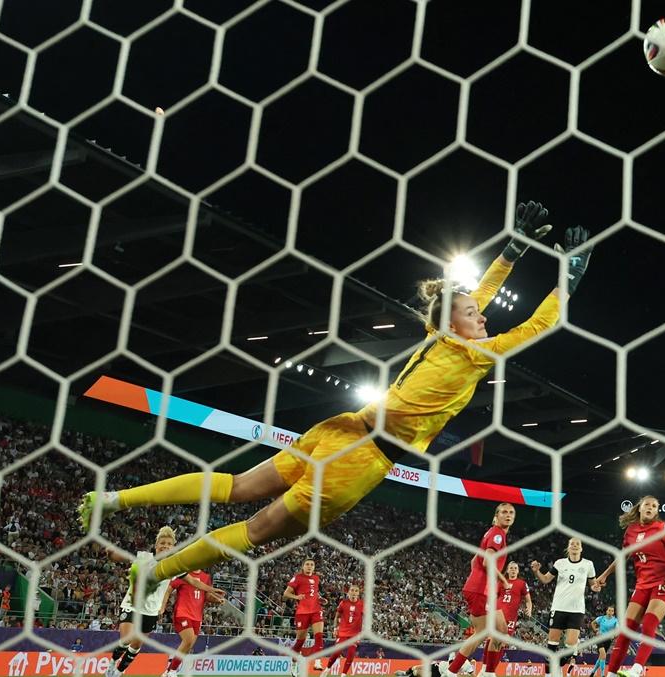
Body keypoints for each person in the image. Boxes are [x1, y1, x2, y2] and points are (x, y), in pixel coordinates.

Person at [77, 202, 593, 590]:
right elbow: (539, 323)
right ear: (452, 322)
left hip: (351, 439)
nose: (483, 315)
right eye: (473, 314)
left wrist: (514, 250)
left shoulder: (446, 337)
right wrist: (565, 279)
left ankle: (120, 511)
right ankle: (147, 560)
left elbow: (474, 295)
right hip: (354, 451)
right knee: (255, 525)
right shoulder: (473, 351)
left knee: (241, 494)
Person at [592, 496, 665, 677]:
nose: (650, 507)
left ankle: (636, 670)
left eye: (654, 506)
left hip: (663, 583)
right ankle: (611, 673)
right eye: (647, 505)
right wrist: (604, 575)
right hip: (642, 585)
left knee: (649, 624)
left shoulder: (662, 528)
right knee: (626, 630)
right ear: (640, 508)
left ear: (656, 511)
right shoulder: (630, 532)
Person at [106, 527, 218, 677]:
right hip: (131, 605)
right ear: (156, 545)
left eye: (169, 544)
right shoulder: (144, 557)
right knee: (126, 639)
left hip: (151, 611)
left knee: (136, 645)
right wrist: (111, 554)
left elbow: (193, 581)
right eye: (162, 543)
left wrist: (211, 590)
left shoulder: (174, 566)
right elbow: (122, 556)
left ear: (173, 547)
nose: (165, 546)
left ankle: (119, 671)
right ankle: (112, 663)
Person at [441, 503, 518, 677]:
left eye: (511, 513)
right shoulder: (497, 535)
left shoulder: (491, 533)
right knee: (481, 633)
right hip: (481, 590)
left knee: (502, 630)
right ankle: (452, 671)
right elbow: (487, 561)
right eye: (504, 512)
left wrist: (478, 579)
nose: (508, 515)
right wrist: (503, 580)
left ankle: (487, 671)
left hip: (481, 589)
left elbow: (474, 561)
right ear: (496, 515)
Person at [531, 538, 597, 667]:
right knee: (552, 643)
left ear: (581, 548)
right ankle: (549, 674)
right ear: (568, 547)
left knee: (571, 645)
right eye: (572, 544)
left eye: (578, 544)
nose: (575, 546)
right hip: (559, 607)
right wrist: (536, 572)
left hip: (577, 609)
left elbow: (593, 585)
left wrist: (597, 587)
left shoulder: (588, 564)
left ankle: (559, 667)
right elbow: (545, 579)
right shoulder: (560, 563)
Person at [163, 568, 226, 677]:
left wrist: (217, 600)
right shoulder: (183, 574)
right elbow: (169, 589)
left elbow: (206, 596)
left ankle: (168, 671)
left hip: (197, 617)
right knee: (188, 640)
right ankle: (172, 671)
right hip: (182, 613)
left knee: (189, 645)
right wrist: (162, 606)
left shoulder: (206, 577)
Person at [285, 558, 325, 675]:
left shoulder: (316, 578)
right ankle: (293, 663)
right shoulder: (297, 577)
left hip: (316, 610)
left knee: (319, 635)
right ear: (303, 566)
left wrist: (320, 599)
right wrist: (297, 597)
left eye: (312, 564)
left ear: (314, 567)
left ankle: (318, 661)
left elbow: (314, 593)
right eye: (307, 564)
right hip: (302, 612)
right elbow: (286, 593)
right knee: (300, 641)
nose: (309, 566)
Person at [323, 584, 365, 676]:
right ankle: (327, 669)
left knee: (351, 654)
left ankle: (343, 674)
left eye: (356, 591)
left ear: (358, 593)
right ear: (348, 592)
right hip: (343, 632)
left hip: (355, 634)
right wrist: (335, 628)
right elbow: (337, 616)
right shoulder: (343, 603)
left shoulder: (362, 604)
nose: (354, 593)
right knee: (337, 652)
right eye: (352, 590)